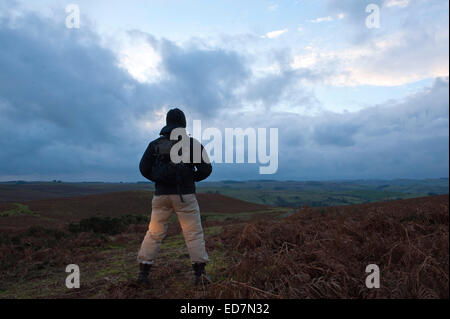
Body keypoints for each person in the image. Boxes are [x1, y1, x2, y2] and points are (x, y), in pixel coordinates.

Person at [136, 108, 212, 287]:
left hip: (161, 196)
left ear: (167, 123)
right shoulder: (192, 144)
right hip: (185, 196)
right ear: (183, 124)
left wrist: (158, 178)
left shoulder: (154, 144)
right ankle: (200, 276)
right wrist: (190, 178)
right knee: (193, 233)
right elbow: (206, 169)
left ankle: (143, 274)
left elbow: (143, 168)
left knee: (154, 233)